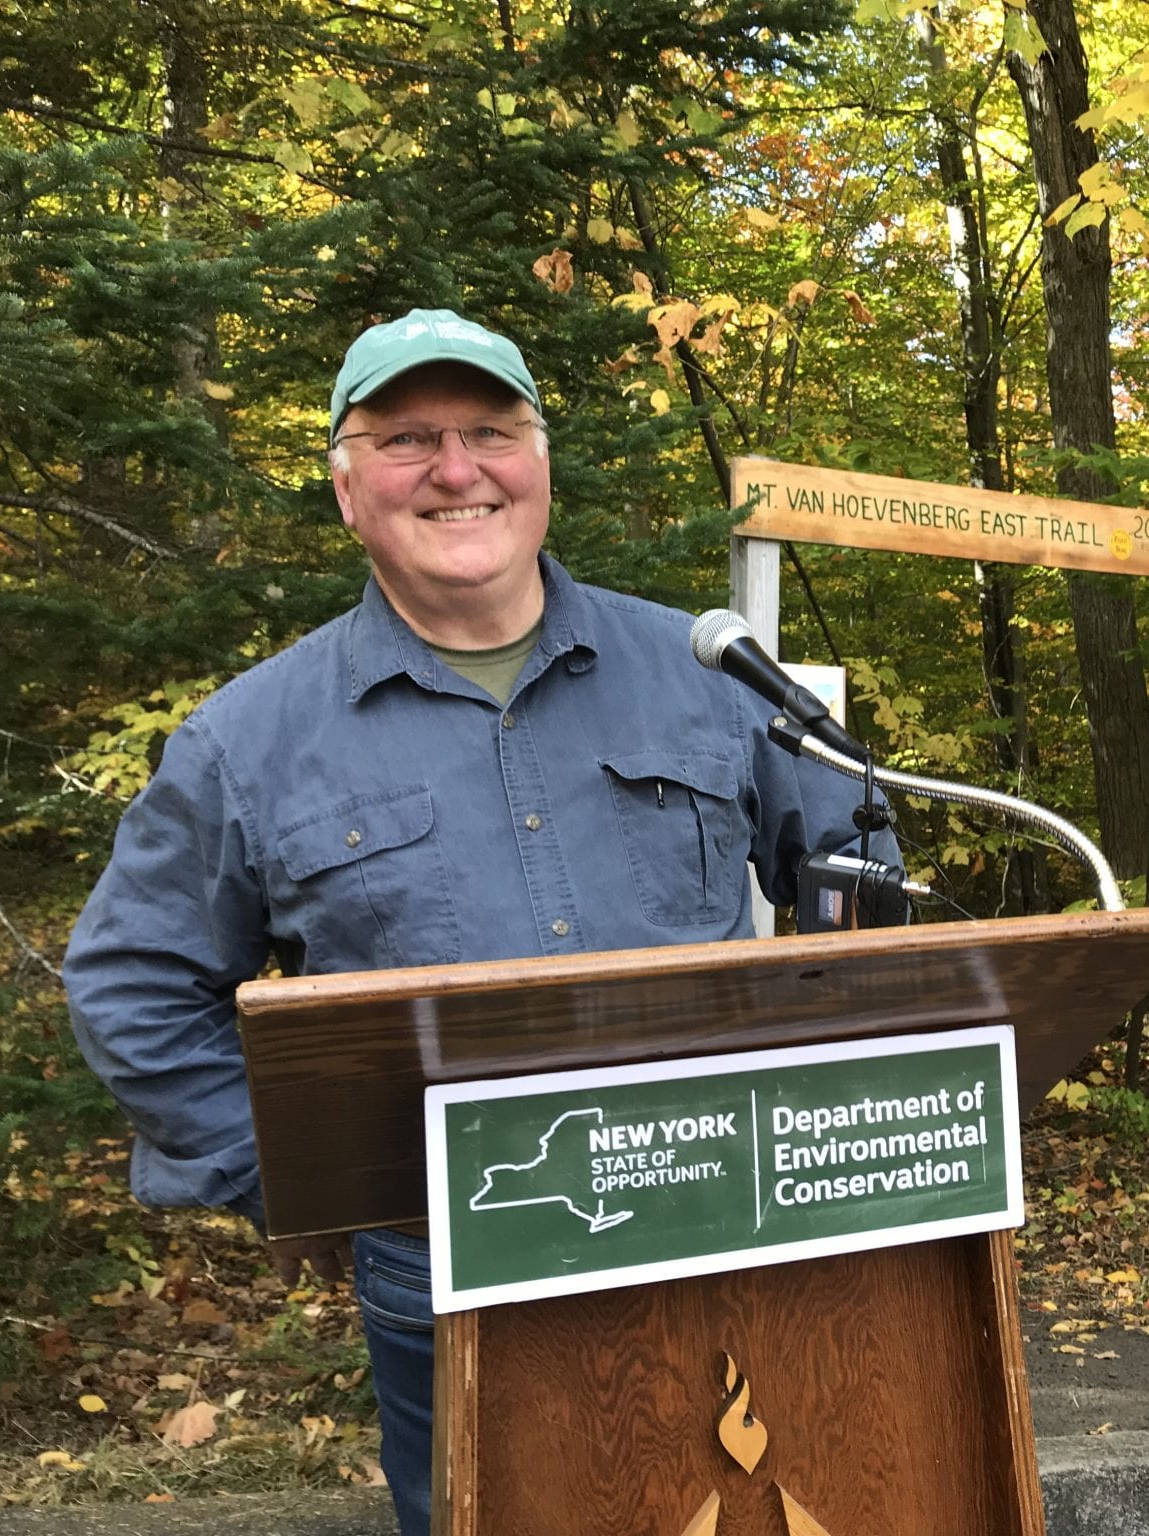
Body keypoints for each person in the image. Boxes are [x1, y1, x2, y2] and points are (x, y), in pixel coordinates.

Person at [62, 308, 892, 1535]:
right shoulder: (248, 742)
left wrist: (842, 1108)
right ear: (349, 491)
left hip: (736, 1221)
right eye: (406, 439)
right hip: (448, 1261)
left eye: (490, 431)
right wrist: (293, 1177)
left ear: (539, 464)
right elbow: (133, 987)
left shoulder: (710, 673)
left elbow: (860, 870)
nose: (457, 469)